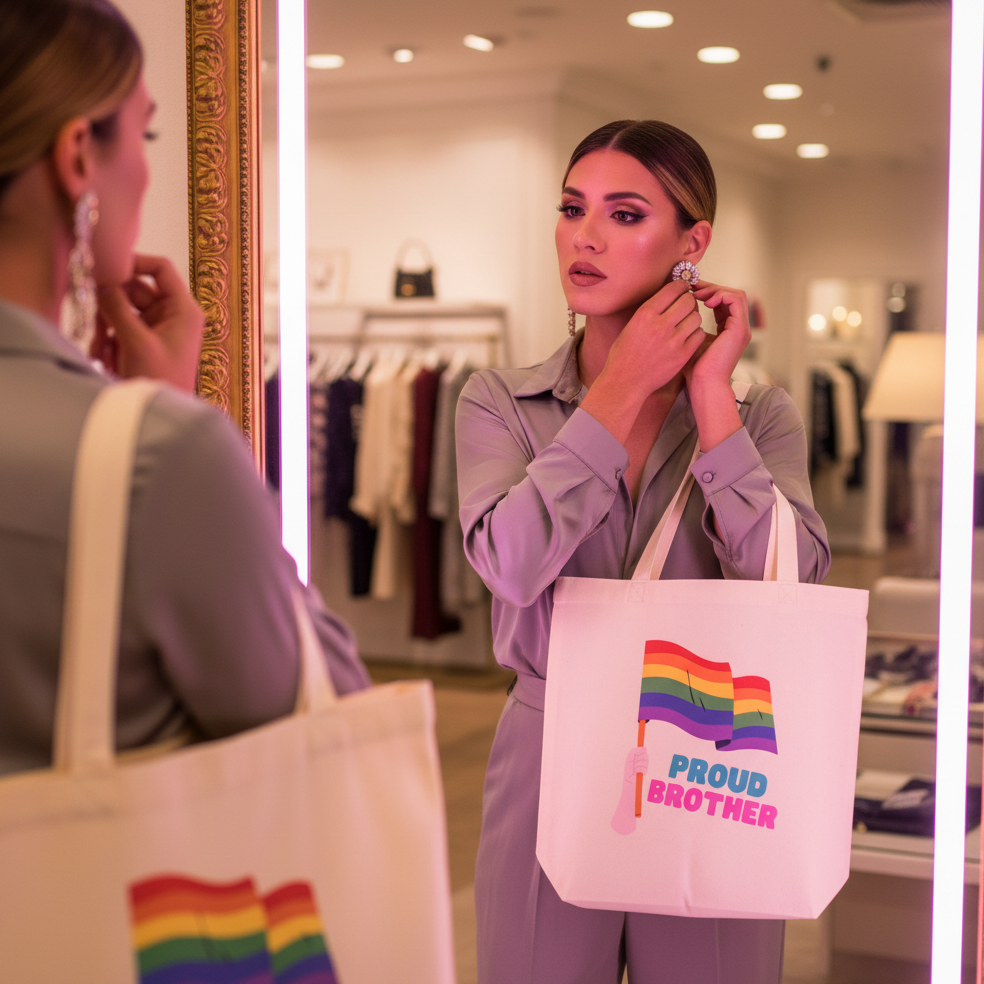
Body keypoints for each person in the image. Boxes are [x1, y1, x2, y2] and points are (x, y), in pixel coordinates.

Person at [456, 120, 830, 984]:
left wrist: (710, 401)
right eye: (572, 208)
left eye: (624, 215)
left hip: (715, 753)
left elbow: (796, 581)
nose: (585, 235)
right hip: (549, 753)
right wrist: (618, 390)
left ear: (691, 244)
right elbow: (508, 564)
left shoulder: (757, 416)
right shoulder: (498, 403)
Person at [0, 0, 369, 777]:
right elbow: (329, 726)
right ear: (77, 158)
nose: (147, 167)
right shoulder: (157, 458)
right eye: (148, 134)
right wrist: (169, 415)